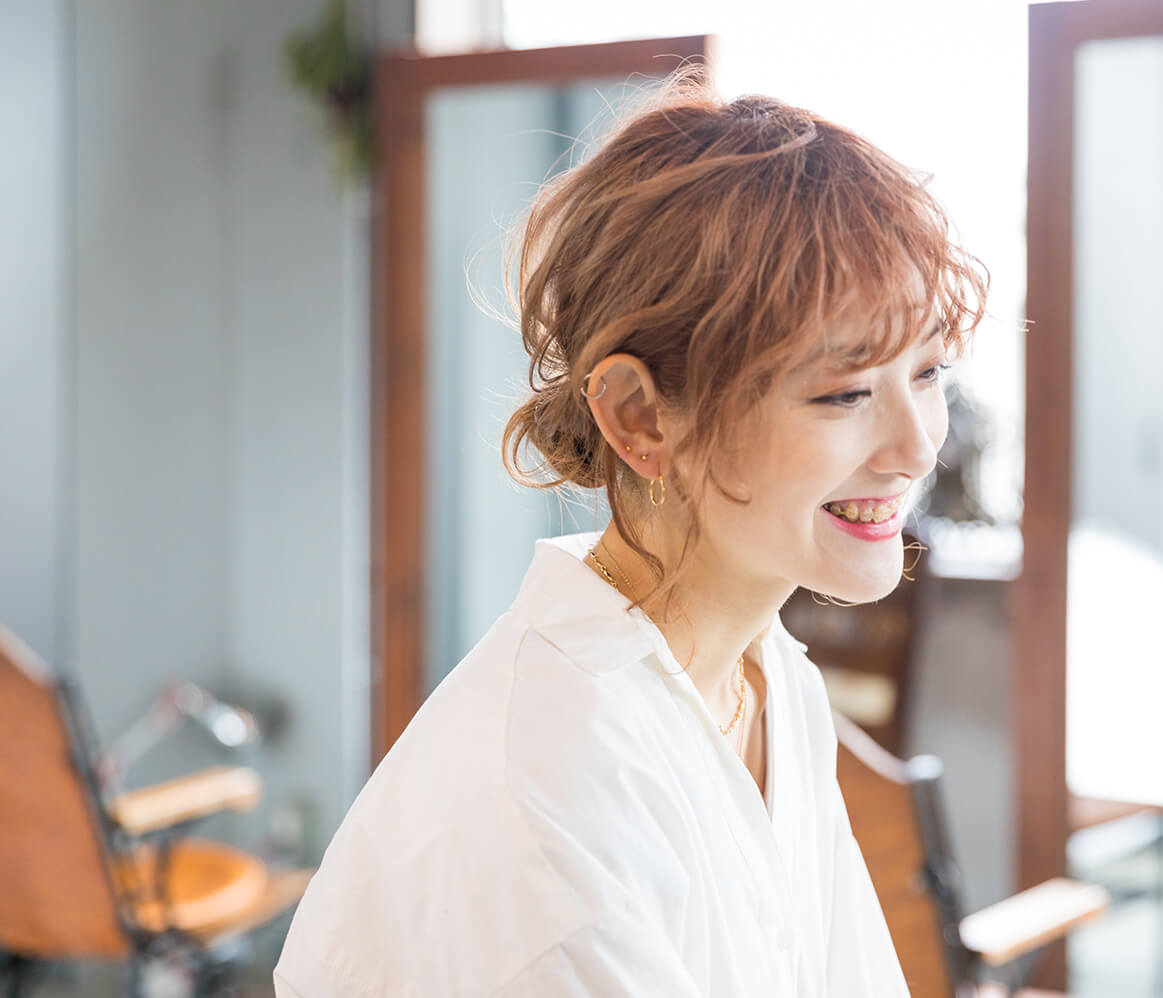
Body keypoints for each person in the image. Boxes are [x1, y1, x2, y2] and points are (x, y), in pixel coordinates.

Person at [273, 79, 987, 997]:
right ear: (640, 417)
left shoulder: (770, 681)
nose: (918, 447)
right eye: (844, 394)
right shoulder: (551, 790)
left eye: (928, 373)